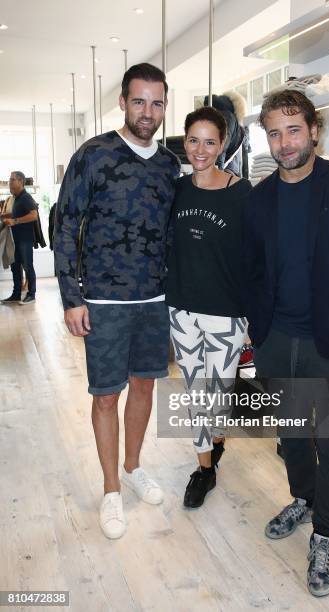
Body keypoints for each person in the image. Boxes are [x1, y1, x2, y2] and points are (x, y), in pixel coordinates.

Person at [242, 90, 329, 597]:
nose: (284, 144)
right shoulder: (259, 199)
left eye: (293, 130)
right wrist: (257, 334)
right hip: (278, 342)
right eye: (274, 133)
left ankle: (324, 534)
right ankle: (302, 499)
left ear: (314, 130)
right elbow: (255, 271)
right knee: (293, 437)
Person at [54, 63, 180, 539]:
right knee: (106, 395)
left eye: (157, 103)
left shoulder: (169, 164)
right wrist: (71, 297)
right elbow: (65, 224)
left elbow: (172, 235)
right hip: (102, 301)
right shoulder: (94, 154)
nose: (148, 112)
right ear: (123, 102)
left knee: (145, 388)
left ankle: (132, 466)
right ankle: (111, 488)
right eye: (139, 101)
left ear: (164, 106)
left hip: (154, 300)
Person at [166, 106, 252, 508]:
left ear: (223, 145)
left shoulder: (242, 193)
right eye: (193, 140)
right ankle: (204, 470)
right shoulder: (176, 189)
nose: (201, 150)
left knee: (219, 397)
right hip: (181, 309)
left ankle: (216, 440)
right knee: (196, 395)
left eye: (210, 141)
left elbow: (255, 258)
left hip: (226, 312)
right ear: (185, 142)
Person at [1, 171, 38, 304]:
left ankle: (31, 295)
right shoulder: (17, 198)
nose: (9, 182)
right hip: (16, 240)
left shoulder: (26, 197)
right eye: (9, 179)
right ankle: (16, 294)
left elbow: (34, 215)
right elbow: (17, 212)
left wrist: (15, 221)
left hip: (25, 240)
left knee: (28, 266)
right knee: (15, 267)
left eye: (12, 179)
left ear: (21, 181)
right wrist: (5, 216)